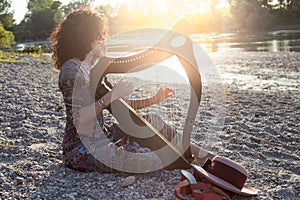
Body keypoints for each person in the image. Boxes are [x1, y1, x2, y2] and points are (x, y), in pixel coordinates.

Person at [51, 6, 214, 173]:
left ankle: (200, 154)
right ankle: (187, 161)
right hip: (81, 150)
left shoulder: (89, 68)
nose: (102, 40)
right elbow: (79, 119)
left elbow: (118, 105)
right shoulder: (71, 71)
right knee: (149, 158)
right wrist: (109, 97)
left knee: (153, 120)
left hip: (103, 137)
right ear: (84, 36)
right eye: (98, 36)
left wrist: (153, 100)